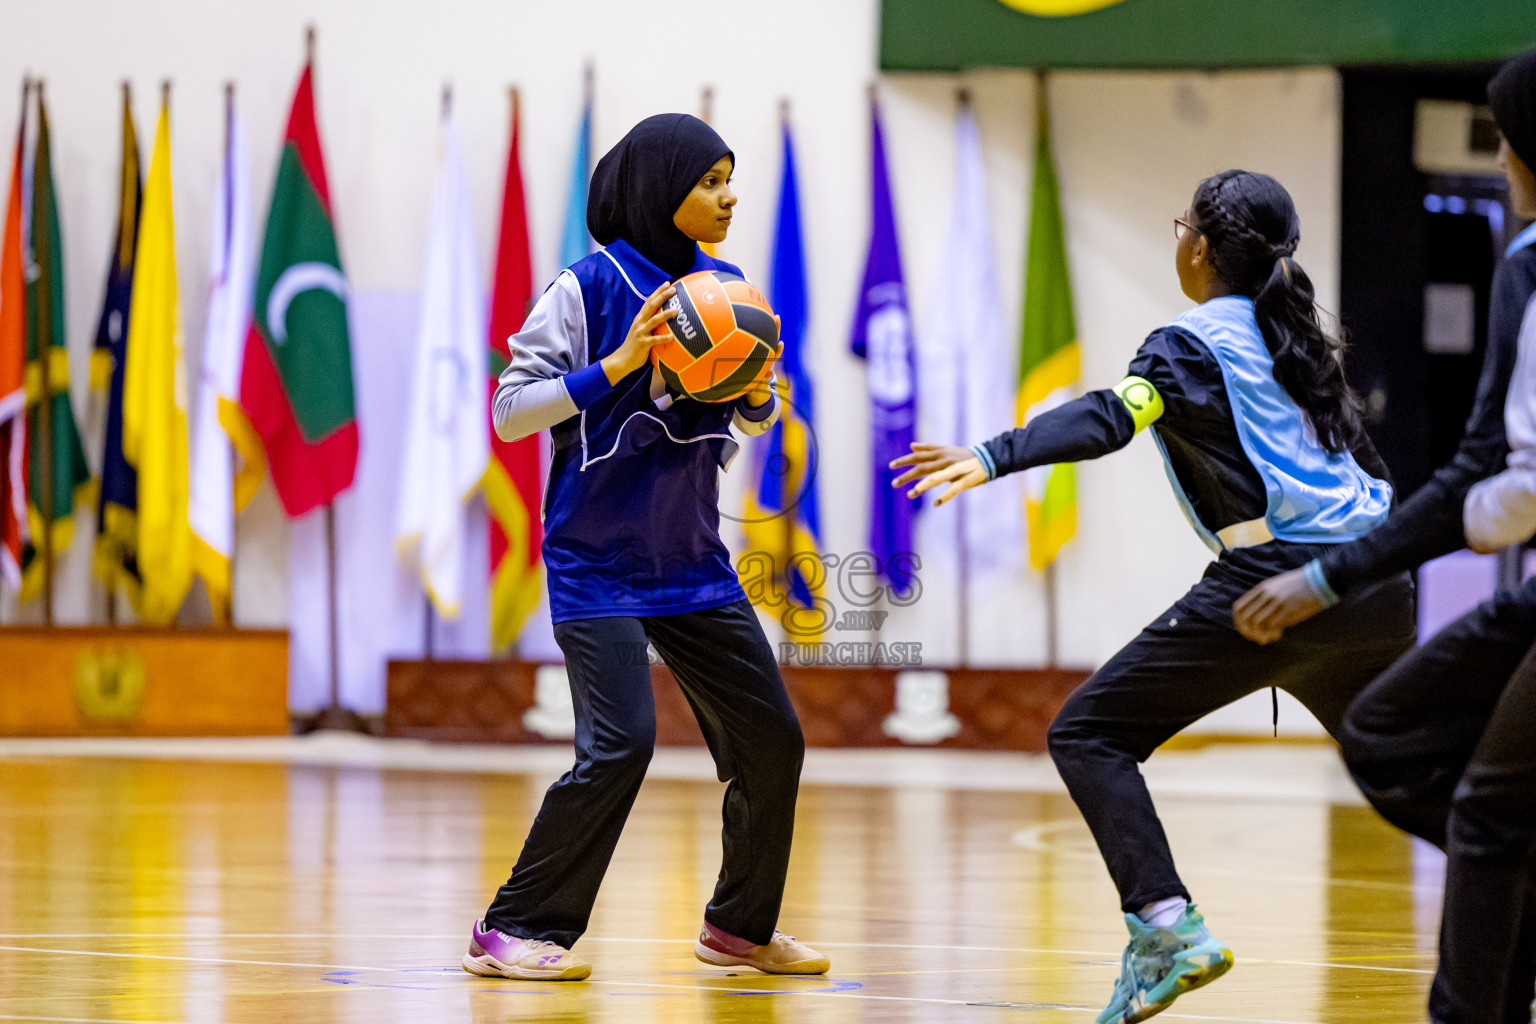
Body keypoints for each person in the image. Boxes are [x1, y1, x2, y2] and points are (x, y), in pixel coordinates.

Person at [892, 170, 1415, 1024]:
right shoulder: (1300, 342)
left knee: (1089, 732)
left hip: (1277, 590)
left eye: (1182, 226)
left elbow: (1112, 413)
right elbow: (1369, 471)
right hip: (1374, 581)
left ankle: (1168, 929)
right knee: (1413, 770)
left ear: (1200, 248)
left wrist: (993, 454)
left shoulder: (1188, 342)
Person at [462, 113, 829, 982]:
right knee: (620, 745)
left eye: (730, 178)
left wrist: (757, 392)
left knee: (772, 739)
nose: (729, 195)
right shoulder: (584, 290)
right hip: (597, 560)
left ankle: (739, 929)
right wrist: (619, 364)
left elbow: (743, 418)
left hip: (691, 561)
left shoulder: (728, 288)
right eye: (710, 181)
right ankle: (512, 929)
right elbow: (509, 412)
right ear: (661, 191)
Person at [1234, 50, 1536, 1024]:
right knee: (1397, 735)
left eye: (1505, 145)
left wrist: (1328, 575)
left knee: (1483, 806)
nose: (1498, 167)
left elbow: (1505, 477)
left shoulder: (1530, 266)